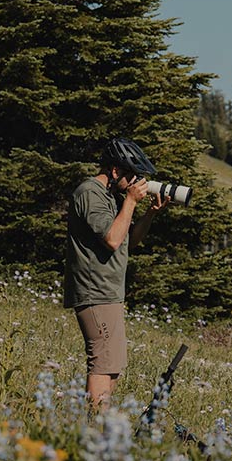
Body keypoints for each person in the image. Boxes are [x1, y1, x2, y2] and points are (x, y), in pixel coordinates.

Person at [66, 138, 168, 408]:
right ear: (114, 171)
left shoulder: (112, 197)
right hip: (94, 290)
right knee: (102, 362)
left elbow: (127, 241)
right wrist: (131, 203)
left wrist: (149, 215)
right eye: (132, 175)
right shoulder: (89, 193)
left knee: (113, 365)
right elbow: (111, 239)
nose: (136, 182)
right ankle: (95, 431)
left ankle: (100, 426)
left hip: (110, 292)